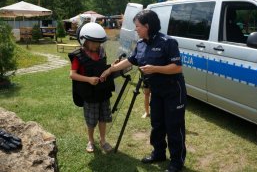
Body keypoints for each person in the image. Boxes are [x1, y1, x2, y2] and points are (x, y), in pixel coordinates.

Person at [100, 10, 187, 172]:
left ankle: (177, 161)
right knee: (157, 124)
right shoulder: (140, 44)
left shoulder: (168, 42)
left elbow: (177, 67)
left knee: (174, 126)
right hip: (156, 92)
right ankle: (159, 153)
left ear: (147, 26)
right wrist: (111, 69)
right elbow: (130, 61)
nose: (136, 30)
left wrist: (154, 68)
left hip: (173, 92)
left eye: (138, 26)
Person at [69, 22, 115, 153]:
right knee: (91, 119)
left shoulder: (102, 52)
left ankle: (103, 140)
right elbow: (72, 75)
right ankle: (90, 140)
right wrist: (88, 79)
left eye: (99, 42)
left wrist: (112, 66)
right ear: (84, 40)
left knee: (103, 117)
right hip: (90, 94)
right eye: (94, 42)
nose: (97, 45)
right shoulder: (78, 56)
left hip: (103, 92)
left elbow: (102, 67)